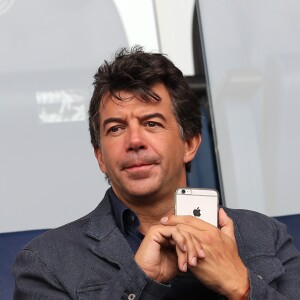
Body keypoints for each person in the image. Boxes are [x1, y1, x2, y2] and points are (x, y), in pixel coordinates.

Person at [13, 46, 300, 299]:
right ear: (100, 157)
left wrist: (242, 287)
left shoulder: (266, 235)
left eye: (151, 123)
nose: (134, 141)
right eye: (116, 129)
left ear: (189, 143)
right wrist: (140, 280)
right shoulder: (45, 263)